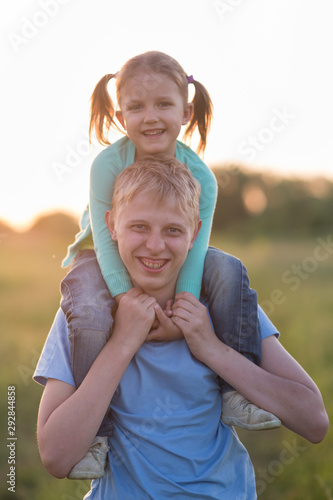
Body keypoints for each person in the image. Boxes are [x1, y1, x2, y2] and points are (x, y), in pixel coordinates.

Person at [34, 156, 328, 499]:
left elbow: (313, 420)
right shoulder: (86, 315)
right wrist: (121, 343)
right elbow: (55, 458)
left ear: (195, 234)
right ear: (111, 226)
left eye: (173, 230)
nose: (155, 246)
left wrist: (211, 347)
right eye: (139, 227)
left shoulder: (222, 305)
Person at [59, 50, 277, 479]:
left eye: (163, 104)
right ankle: (95, 434)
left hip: (167, 260)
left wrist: (183, 309)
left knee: (229, 269)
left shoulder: (203, 178)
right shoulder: (107, 164)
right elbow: (106, 239)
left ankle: (235, 390)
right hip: (100, 252)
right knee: (86, 309)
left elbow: (195, 251)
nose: (150, 116)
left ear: (186, 110)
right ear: (120, 115)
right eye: (136, 107)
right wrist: (125, 299)